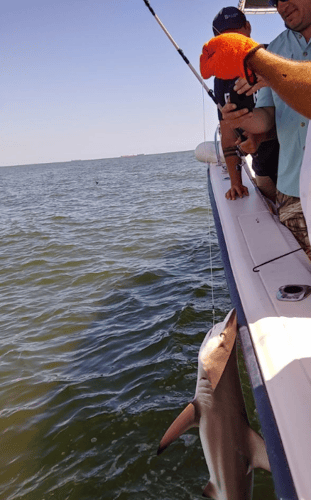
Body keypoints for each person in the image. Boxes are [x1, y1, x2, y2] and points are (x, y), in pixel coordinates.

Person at [200, 0, 311, 259]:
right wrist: (238, 120)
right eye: (275, 0)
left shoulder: (264, 58)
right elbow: (267, 117)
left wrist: (262, 64)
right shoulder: (275, 49)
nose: (282, 5)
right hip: (292, 190)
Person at [210, 7, 279, 201]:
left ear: (248, 28)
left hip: (297, 165)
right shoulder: (221, 78)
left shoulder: (276, 55)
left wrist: (261, 136)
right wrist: (236, 183)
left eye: (237, 33)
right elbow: (227, 132)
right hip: (264, 171)